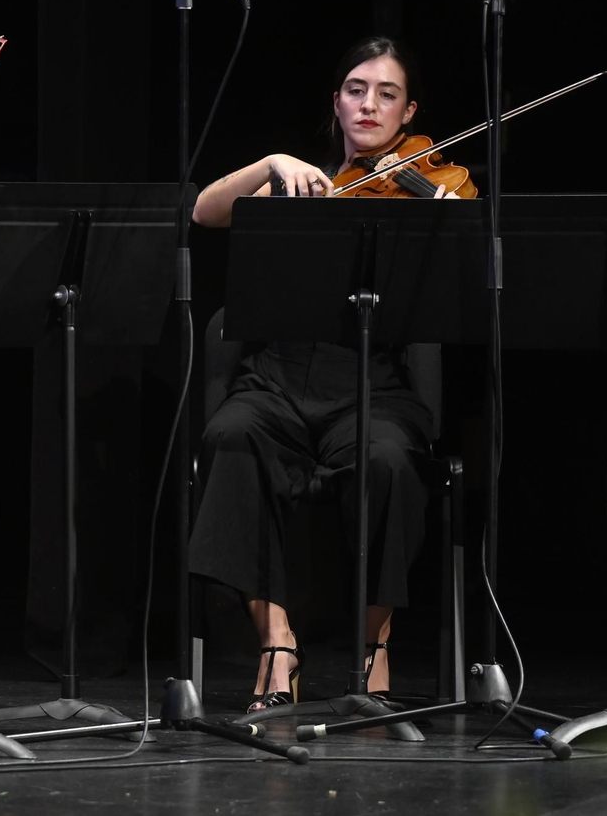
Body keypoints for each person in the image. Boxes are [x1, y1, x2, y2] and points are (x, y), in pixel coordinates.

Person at [188, 36, 466, 711]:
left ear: (410, 113)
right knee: (230, 435)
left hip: (374, 380)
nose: (369, 104)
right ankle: (277, 643)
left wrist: (444, 223)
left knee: (392, 461)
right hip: (279, 378)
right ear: (336, 101)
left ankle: (375, 647)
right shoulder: (298, 183)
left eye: (387, 93)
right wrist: (271, 162)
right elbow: (204, 211)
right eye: (355, 89)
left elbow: (464, 271)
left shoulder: (430, 190)